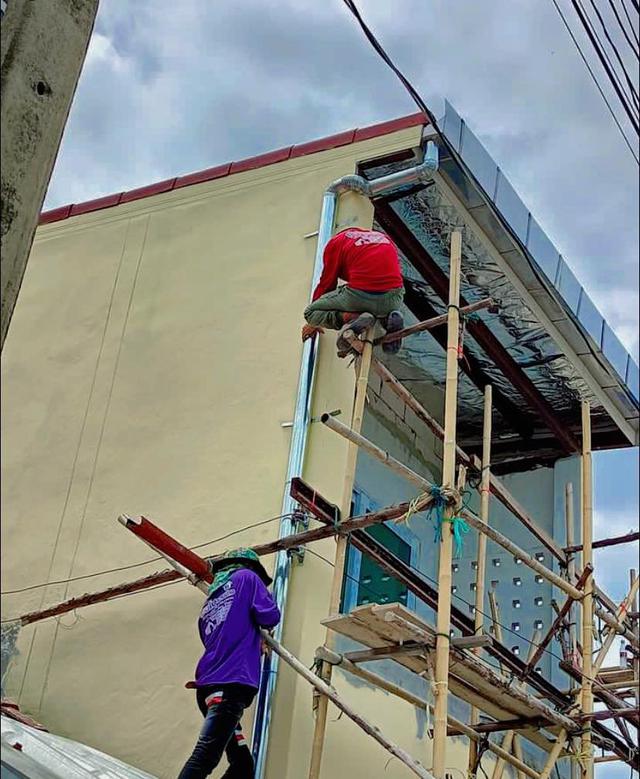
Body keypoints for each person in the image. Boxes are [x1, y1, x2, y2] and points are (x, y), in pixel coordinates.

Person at [178, 549, 280, 779]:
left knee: (243, 765)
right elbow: (270, 616)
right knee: (205, 757)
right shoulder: (247, 577)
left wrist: (255, 642)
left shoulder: (210, 603)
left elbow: (223, 638)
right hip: (228, 688)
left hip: (210, 688)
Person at [301, 227, 405, 356]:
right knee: (380, 300)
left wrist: (314, 323)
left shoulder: (335, 243)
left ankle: (350, 317)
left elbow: (327, 283)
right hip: (395, 297)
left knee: (310, 313)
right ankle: (389, 321)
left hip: (359, 296)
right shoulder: (383, 237)